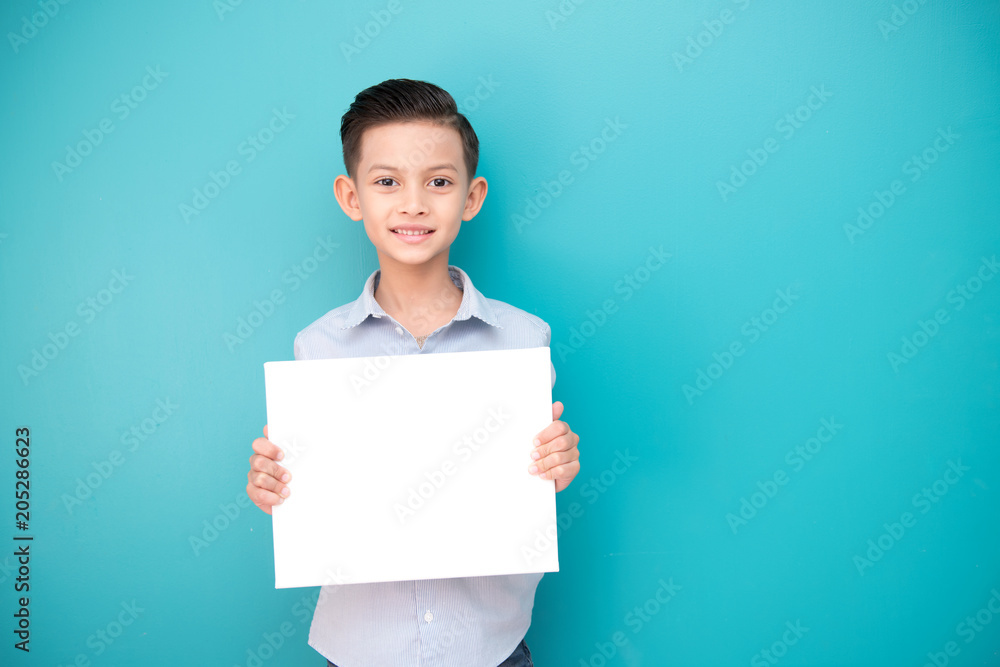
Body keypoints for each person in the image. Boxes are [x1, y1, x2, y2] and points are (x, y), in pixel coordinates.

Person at [246, 78, 581, 667]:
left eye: (439, 182)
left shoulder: (524, 339)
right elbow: (320, 498)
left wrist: (553, 468)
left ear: (471, 197)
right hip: (358, 651)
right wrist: (277, 489)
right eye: (386, 182)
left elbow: (518, 490)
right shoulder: (317, 346)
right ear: (352, 197)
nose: (413, 203)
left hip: (491, 649)